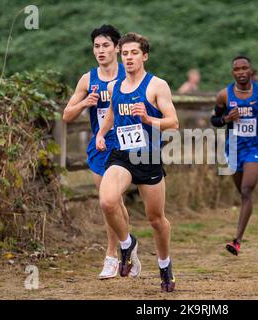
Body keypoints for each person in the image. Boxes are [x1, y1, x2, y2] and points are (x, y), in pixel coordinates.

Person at [96, 32, 179, 292]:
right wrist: (100, 133)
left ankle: (165, 265)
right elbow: (110, 115)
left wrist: (148, 119)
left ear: (144, 56)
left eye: (134, 53)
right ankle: (126, 244)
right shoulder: (114, 87)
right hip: (121, 155)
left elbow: (173, 123)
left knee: (156, 220)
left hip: (148, 156)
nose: (129, 58)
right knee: (107, 201)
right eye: (125, 54)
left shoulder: (157, 85)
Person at [62, 24, 134, 280]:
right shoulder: (88, 79)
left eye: (106, 45)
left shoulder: (130, 75)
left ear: (117, 48)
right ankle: (129, 250)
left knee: (111, 201)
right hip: (100, 145)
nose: (101, 51)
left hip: (125, 144)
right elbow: (67, 115)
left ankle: (112, 256)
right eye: (96, 46)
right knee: (112, 204)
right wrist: (85, 102)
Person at [210, 55, 258, 255]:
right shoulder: (224, 95)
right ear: (233, 72)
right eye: (237, 69)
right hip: (233, 148)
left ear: (251, 70)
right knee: (240, 189)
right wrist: (226, 118)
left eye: (244, 68)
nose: (241, 72)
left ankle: (237, 240)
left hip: (255, 148)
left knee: (246, 191)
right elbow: (214, 120)